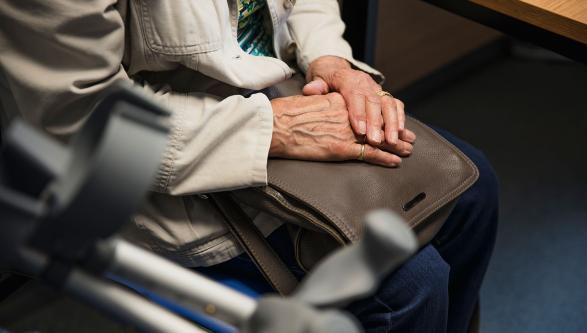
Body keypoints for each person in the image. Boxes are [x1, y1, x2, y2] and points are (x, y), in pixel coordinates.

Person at [0, 1, 497, 332]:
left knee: (472, 191)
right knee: (408, 286)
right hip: (156, 155)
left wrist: (329, 58)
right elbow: (80, 119)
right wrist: (276, 130)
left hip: (274, 94)